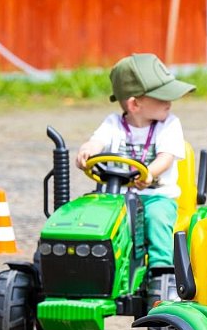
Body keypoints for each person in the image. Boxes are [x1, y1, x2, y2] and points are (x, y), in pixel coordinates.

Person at [75, 53, 195, 268]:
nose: (170, 102)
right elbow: (97, 141)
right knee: (94, 219)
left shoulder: (169, 124)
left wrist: (149, 173)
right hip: (116, 198)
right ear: (135, 104)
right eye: (162, 97)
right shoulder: (113, 124)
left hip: (156, 197)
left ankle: (161, 271)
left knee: (157, 219)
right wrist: (87, 150)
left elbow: (166, 157)